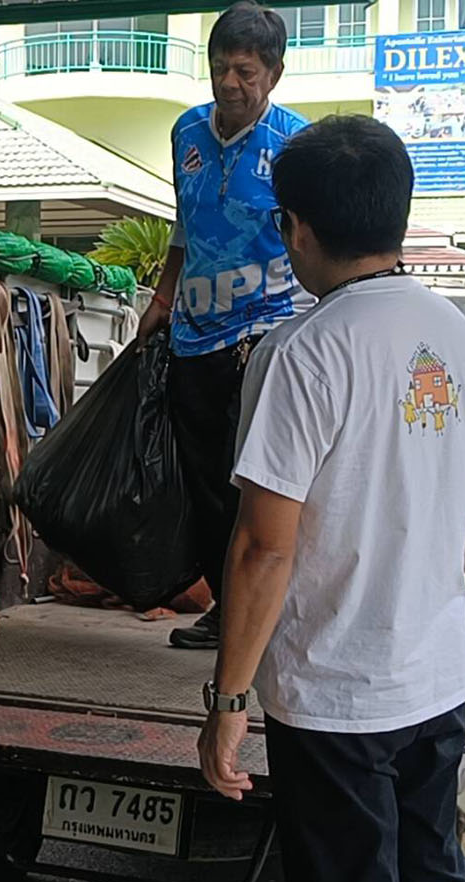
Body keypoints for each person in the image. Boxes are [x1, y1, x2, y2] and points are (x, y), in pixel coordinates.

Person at [196, 115, 465, 882]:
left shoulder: (300, 352)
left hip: (336, 695)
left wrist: (227, 698)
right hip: (437, 676)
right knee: (433, 867)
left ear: (293, 229)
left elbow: (265, 546)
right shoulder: (456, 334)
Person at [133, 2, 311, 649]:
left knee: (262, 482)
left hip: (268, 333)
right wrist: (161, 297)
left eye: (245, 70)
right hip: (195, 335)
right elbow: (183, 221)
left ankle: (275, 611)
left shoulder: (296, 142)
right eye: (218, 69)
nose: (230, 84)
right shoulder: (185, 132)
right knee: (205, 482)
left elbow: (311, 236)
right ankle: (225, 605)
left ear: (274, 73)